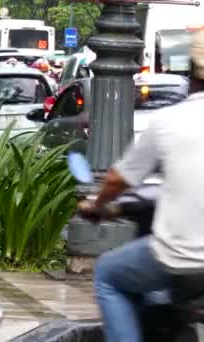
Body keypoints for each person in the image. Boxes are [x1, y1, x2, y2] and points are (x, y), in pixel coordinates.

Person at [78, 30, 204, 342]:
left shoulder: (169, 121)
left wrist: (96, 205)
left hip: (181, 258)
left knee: (108, 273)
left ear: (189, 73)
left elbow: (118, 179)